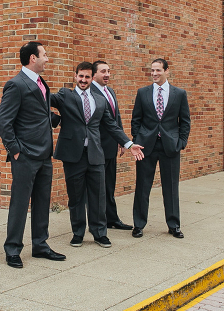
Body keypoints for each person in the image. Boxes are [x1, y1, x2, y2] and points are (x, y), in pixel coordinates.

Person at [51, 62, 143, 248]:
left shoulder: (100, 100)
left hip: (95, 153)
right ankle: (77, 233)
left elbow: (111, 124)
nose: (83, 80)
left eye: (87, 77)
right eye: (80, 76)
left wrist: (129, 143)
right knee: (76, 197)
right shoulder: (65, 95)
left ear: (92, 78)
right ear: (75, 76)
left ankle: (100, 233)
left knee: (98, 196)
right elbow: (41, 101)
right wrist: (55, 119)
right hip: (73, 154)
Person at [0, 41, 65, 269]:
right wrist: (15, 151)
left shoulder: (40, 82)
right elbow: (4, 122)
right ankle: (13, 249)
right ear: (32, 58)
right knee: (19, 204)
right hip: (25, 156)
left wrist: (58, 120)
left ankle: (40, 245)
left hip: (45, 155)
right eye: (44, 55)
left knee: (42, 202)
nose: (47, 59)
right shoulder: (15, 84)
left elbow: (40, 113)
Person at [130, 58, 190, 239]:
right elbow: (136, 119)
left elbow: (185, 121)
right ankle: (138, 225)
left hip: (170, 147)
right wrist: (137, 140)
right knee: (142, 187)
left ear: (167, 71)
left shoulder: (179, 94)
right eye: (152, 70)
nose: (154, 73)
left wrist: (181, 143)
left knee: (171, 188)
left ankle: (174, 225)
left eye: (158, 70)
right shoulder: (143, 93)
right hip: (146, 147)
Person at [90, 60, 133, 231]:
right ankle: (99, 222)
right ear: (94, 74)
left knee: (109, 185)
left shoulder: (110, 91)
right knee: (98, 188)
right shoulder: (91, 92)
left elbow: (116, 118)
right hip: (97, 147)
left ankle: (112, 219)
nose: (107, 74)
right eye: (103, 71)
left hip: (111, 147)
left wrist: (122, 141)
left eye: (108, 71)